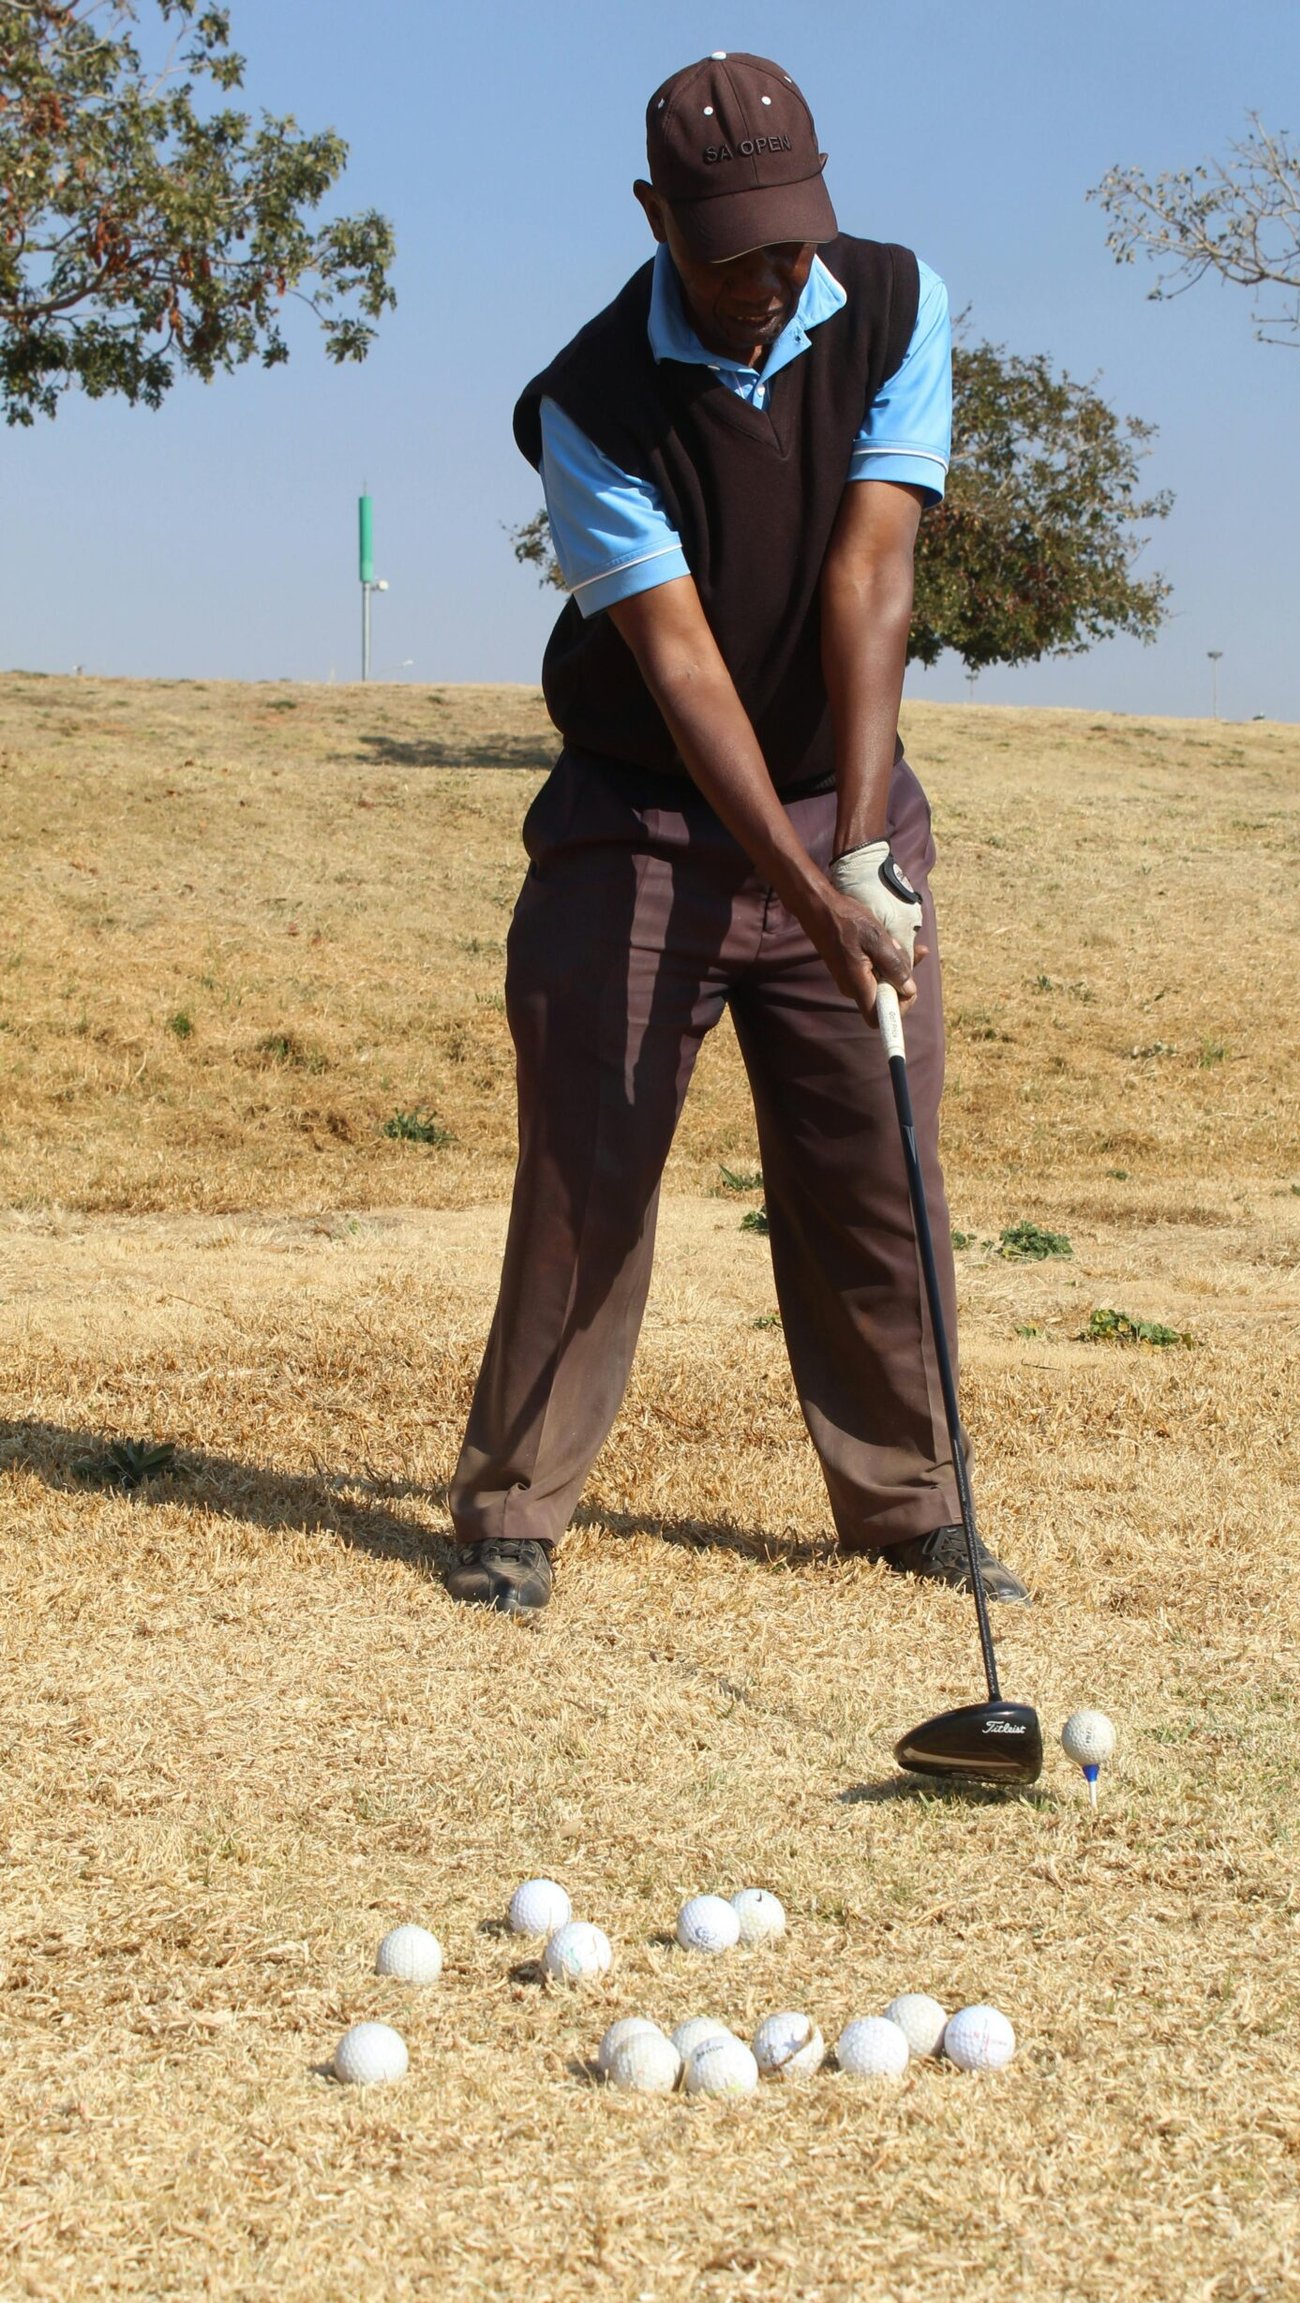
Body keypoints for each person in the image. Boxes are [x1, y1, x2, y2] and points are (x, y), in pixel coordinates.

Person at [447, 51, 1026, 1619]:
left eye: (793, 242)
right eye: (731, 254)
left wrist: (858, 851)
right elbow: (685, 667)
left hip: (842, 804)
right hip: (640, 826)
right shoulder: (587, 404)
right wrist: (797, 877)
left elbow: (869, 578)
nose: (771, 282)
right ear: (654, 217)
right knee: (593, 1166)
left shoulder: (897, 307)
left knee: (879, 1163)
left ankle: (914, 1507)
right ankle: (513, 1510)